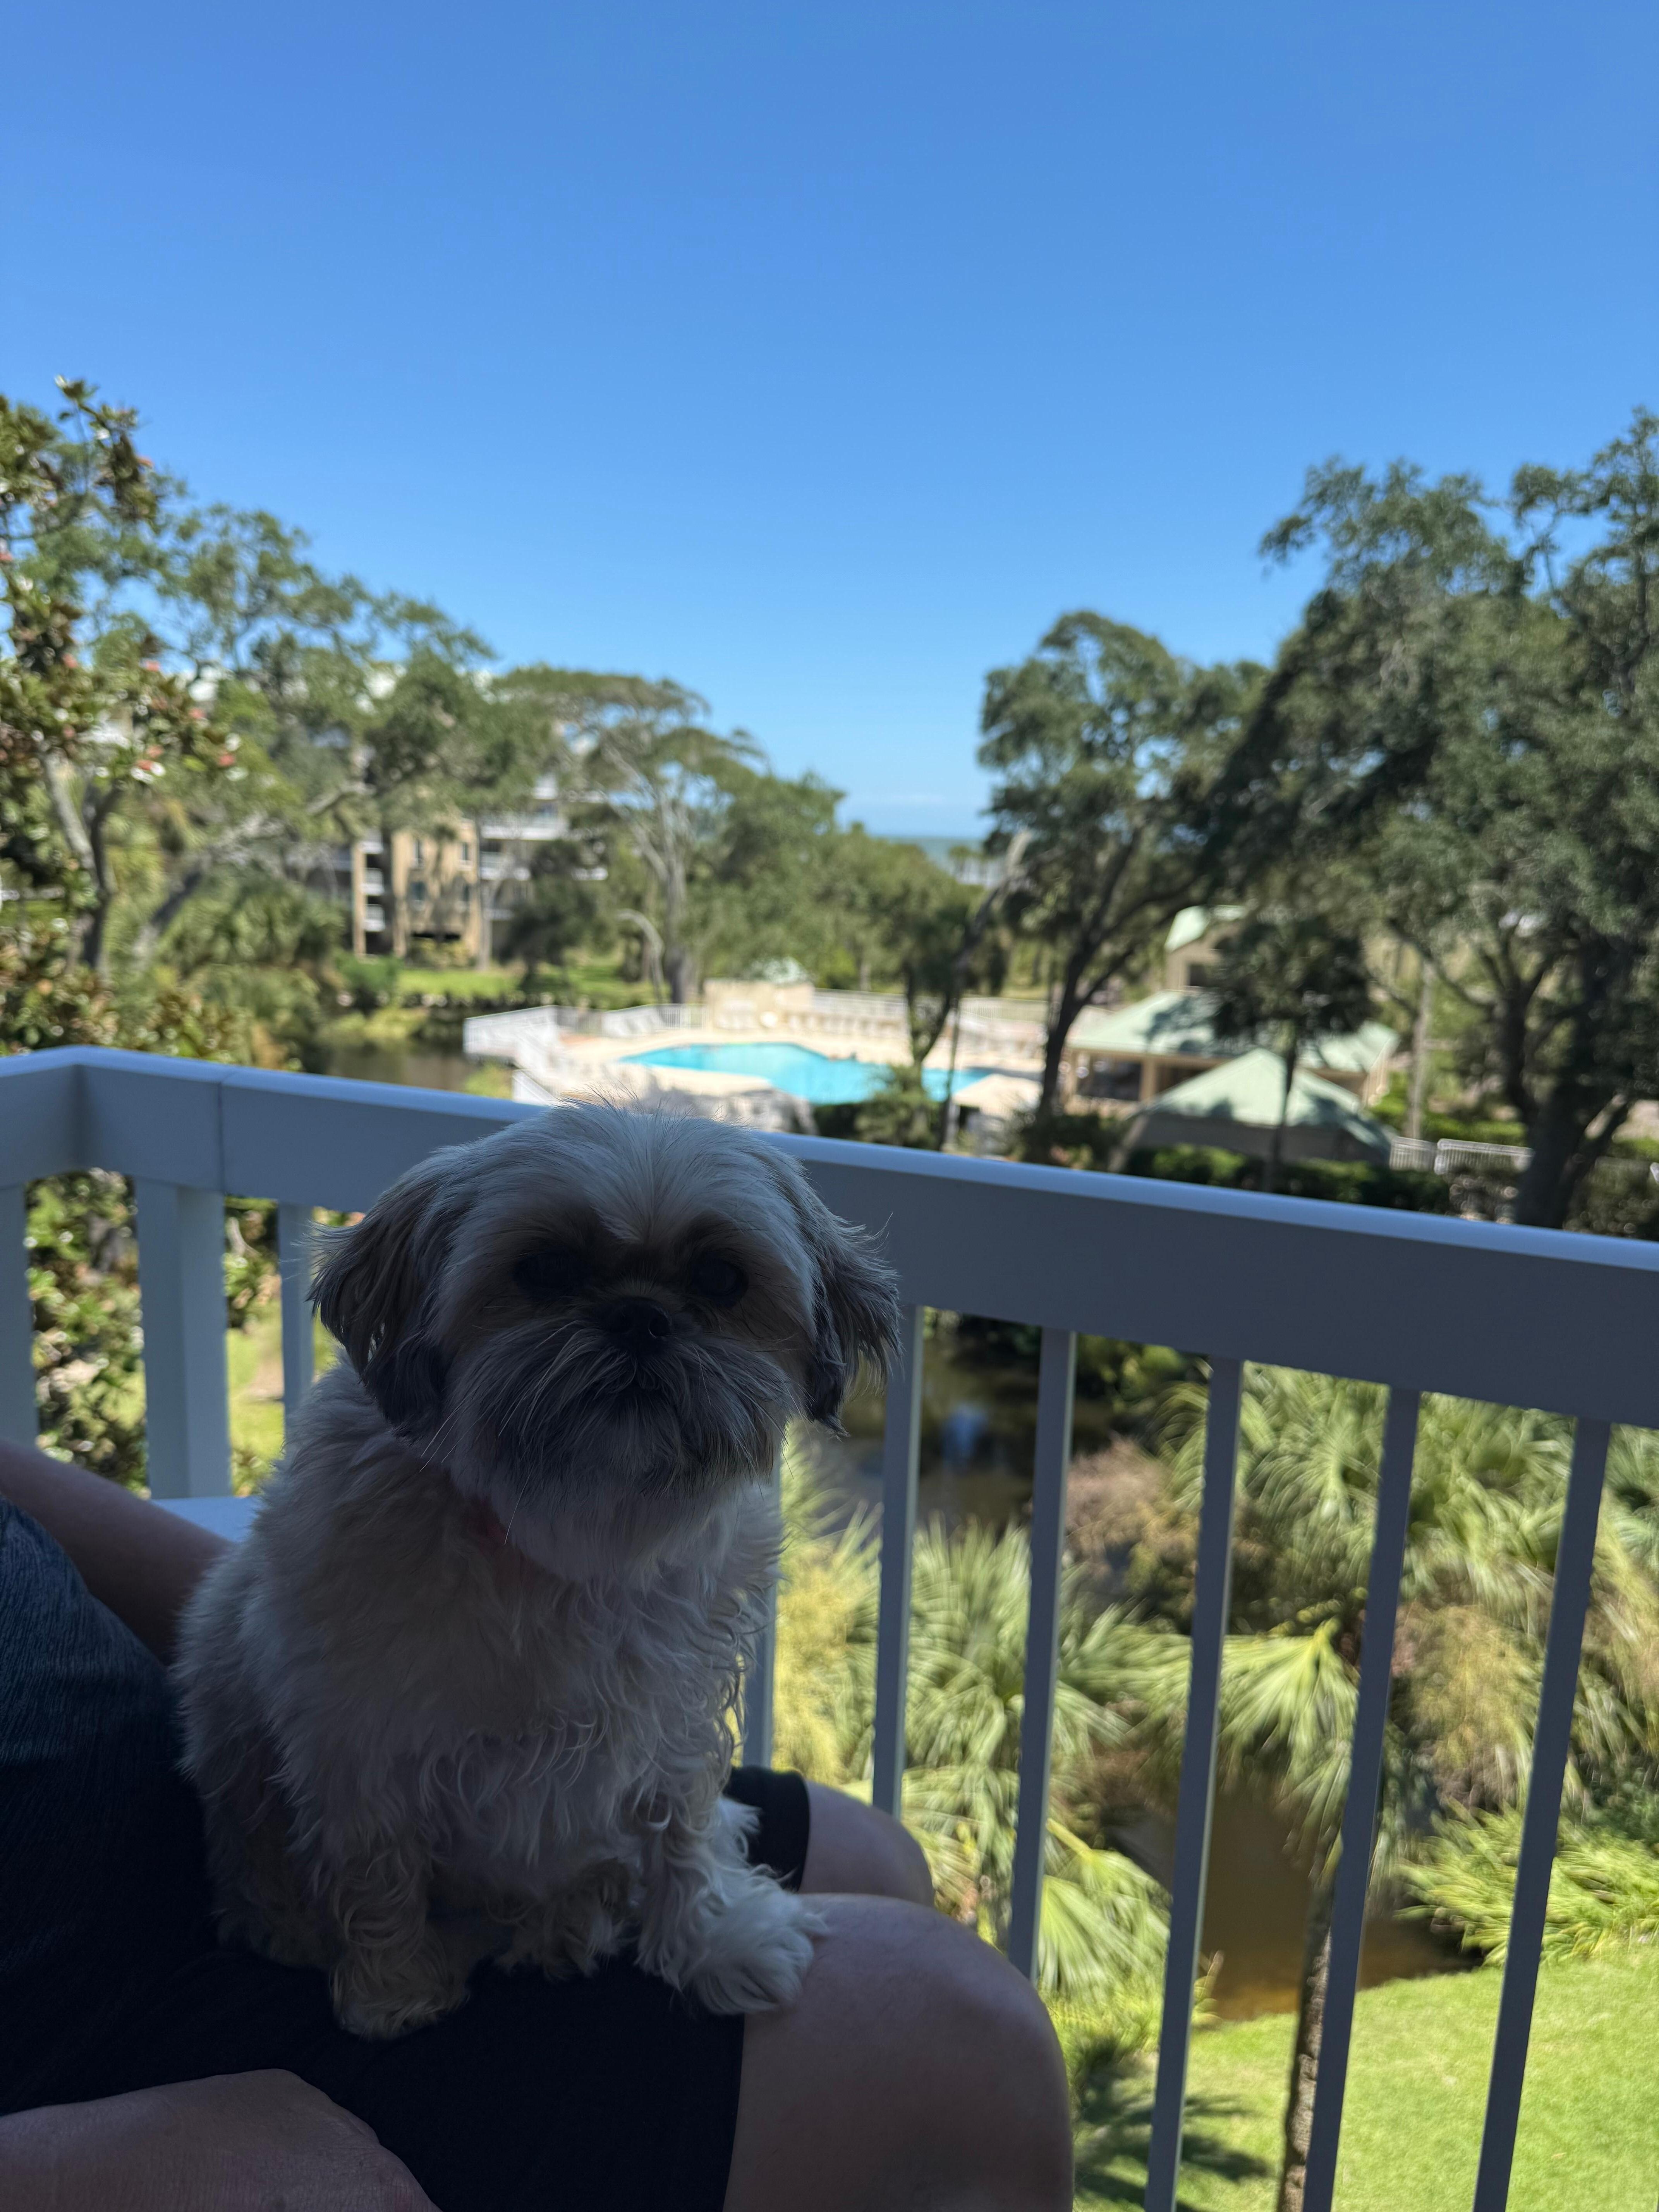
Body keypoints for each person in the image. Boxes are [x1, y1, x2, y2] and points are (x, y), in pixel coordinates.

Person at [0, 1441, 1072, 2210]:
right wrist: (52, 2172)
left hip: (155, 1817)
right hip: (91, 2041)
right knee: (961, 2040)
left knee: (870, 1853)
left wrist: (291, 1624)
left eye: (714, 1288)